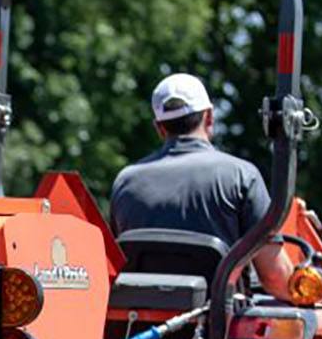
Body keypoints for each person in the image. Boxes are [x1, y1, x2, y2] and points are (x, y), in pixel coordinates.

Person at [108, 73, 271, 249]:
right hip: (219, 278)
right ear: (209, 117)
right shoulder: (241, 176)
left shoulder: (125, 182)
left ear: (159, 128)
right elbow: (274, 273)